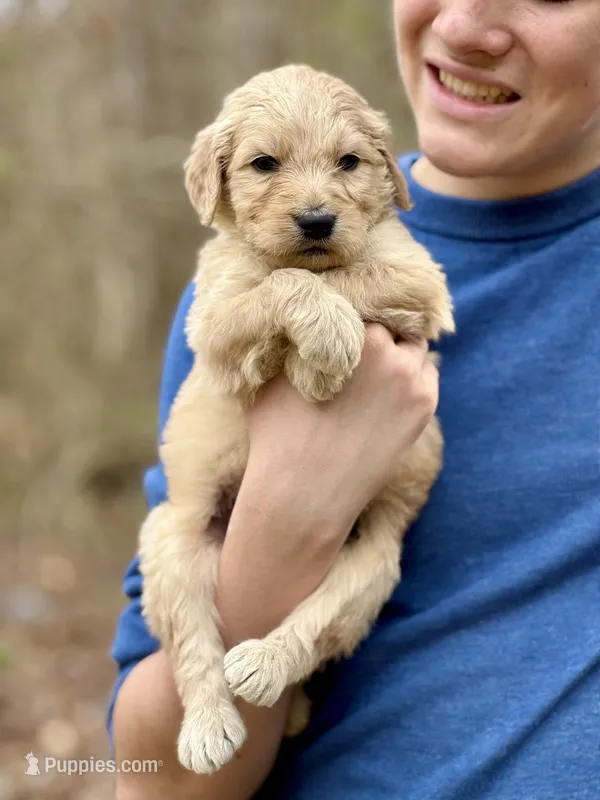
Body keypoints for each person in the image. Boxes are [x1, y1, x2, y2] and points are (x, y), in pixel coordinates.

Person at [108, 0, 600, 797]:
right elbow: (157, 782)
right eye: (266, 166)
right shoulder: (223, 289)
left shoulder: (396, 261)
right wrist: (283, 524)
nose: (469, 24)